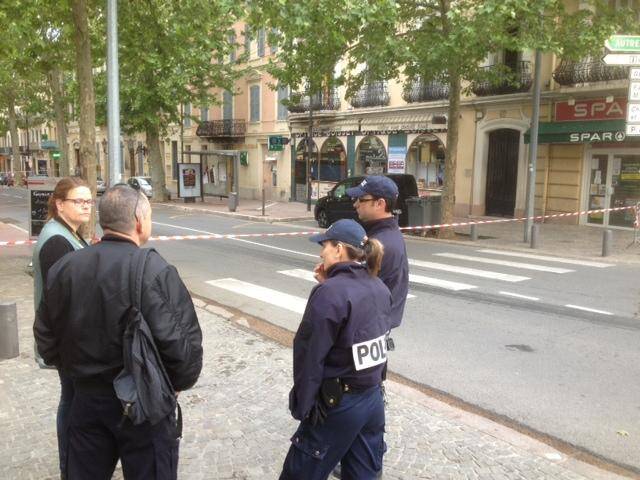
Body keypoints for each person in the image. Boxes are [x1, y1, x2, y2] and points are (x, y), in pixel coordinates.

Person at [34, 185, 203, 480]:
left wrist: (75, 369)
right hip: (144, 404)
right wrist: (172, 385)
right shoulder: (153, 269)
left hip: (87, 400)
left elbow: (45, 336)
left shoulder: (66, 267)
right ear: (139, 220)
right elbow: (183, 346)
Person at [280, 219, 392, 480]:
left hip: (338, 403)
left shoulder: (330, 293)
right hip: (372, 399)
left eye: (325, 246)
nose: (321, 252)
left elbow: (309, 353)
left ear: (339, 249)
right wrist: (329, 283)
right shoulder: (379, 287)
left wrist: (303, 406)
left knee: (299, 474)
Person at [32, 176, 92, 479]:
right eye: (78, 201)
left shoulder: (69, 234)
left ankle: (75, 461)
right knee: (71, 400)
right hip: (68, 341)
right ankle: (69, 464)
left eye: (88, 201)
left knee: (73, 399)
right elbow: (62, 301)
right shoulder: (57, 240)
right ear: (59, 204)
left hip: (70, 339)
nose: (85, 206)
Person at [347, 176, 409, 330]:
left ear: (380, 203)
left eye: (361, 199)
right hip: (376, 323)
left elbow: (357, 293)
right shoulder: (386, 234)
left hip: (368, 326)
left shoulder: (381, 244)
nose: (355, 204)